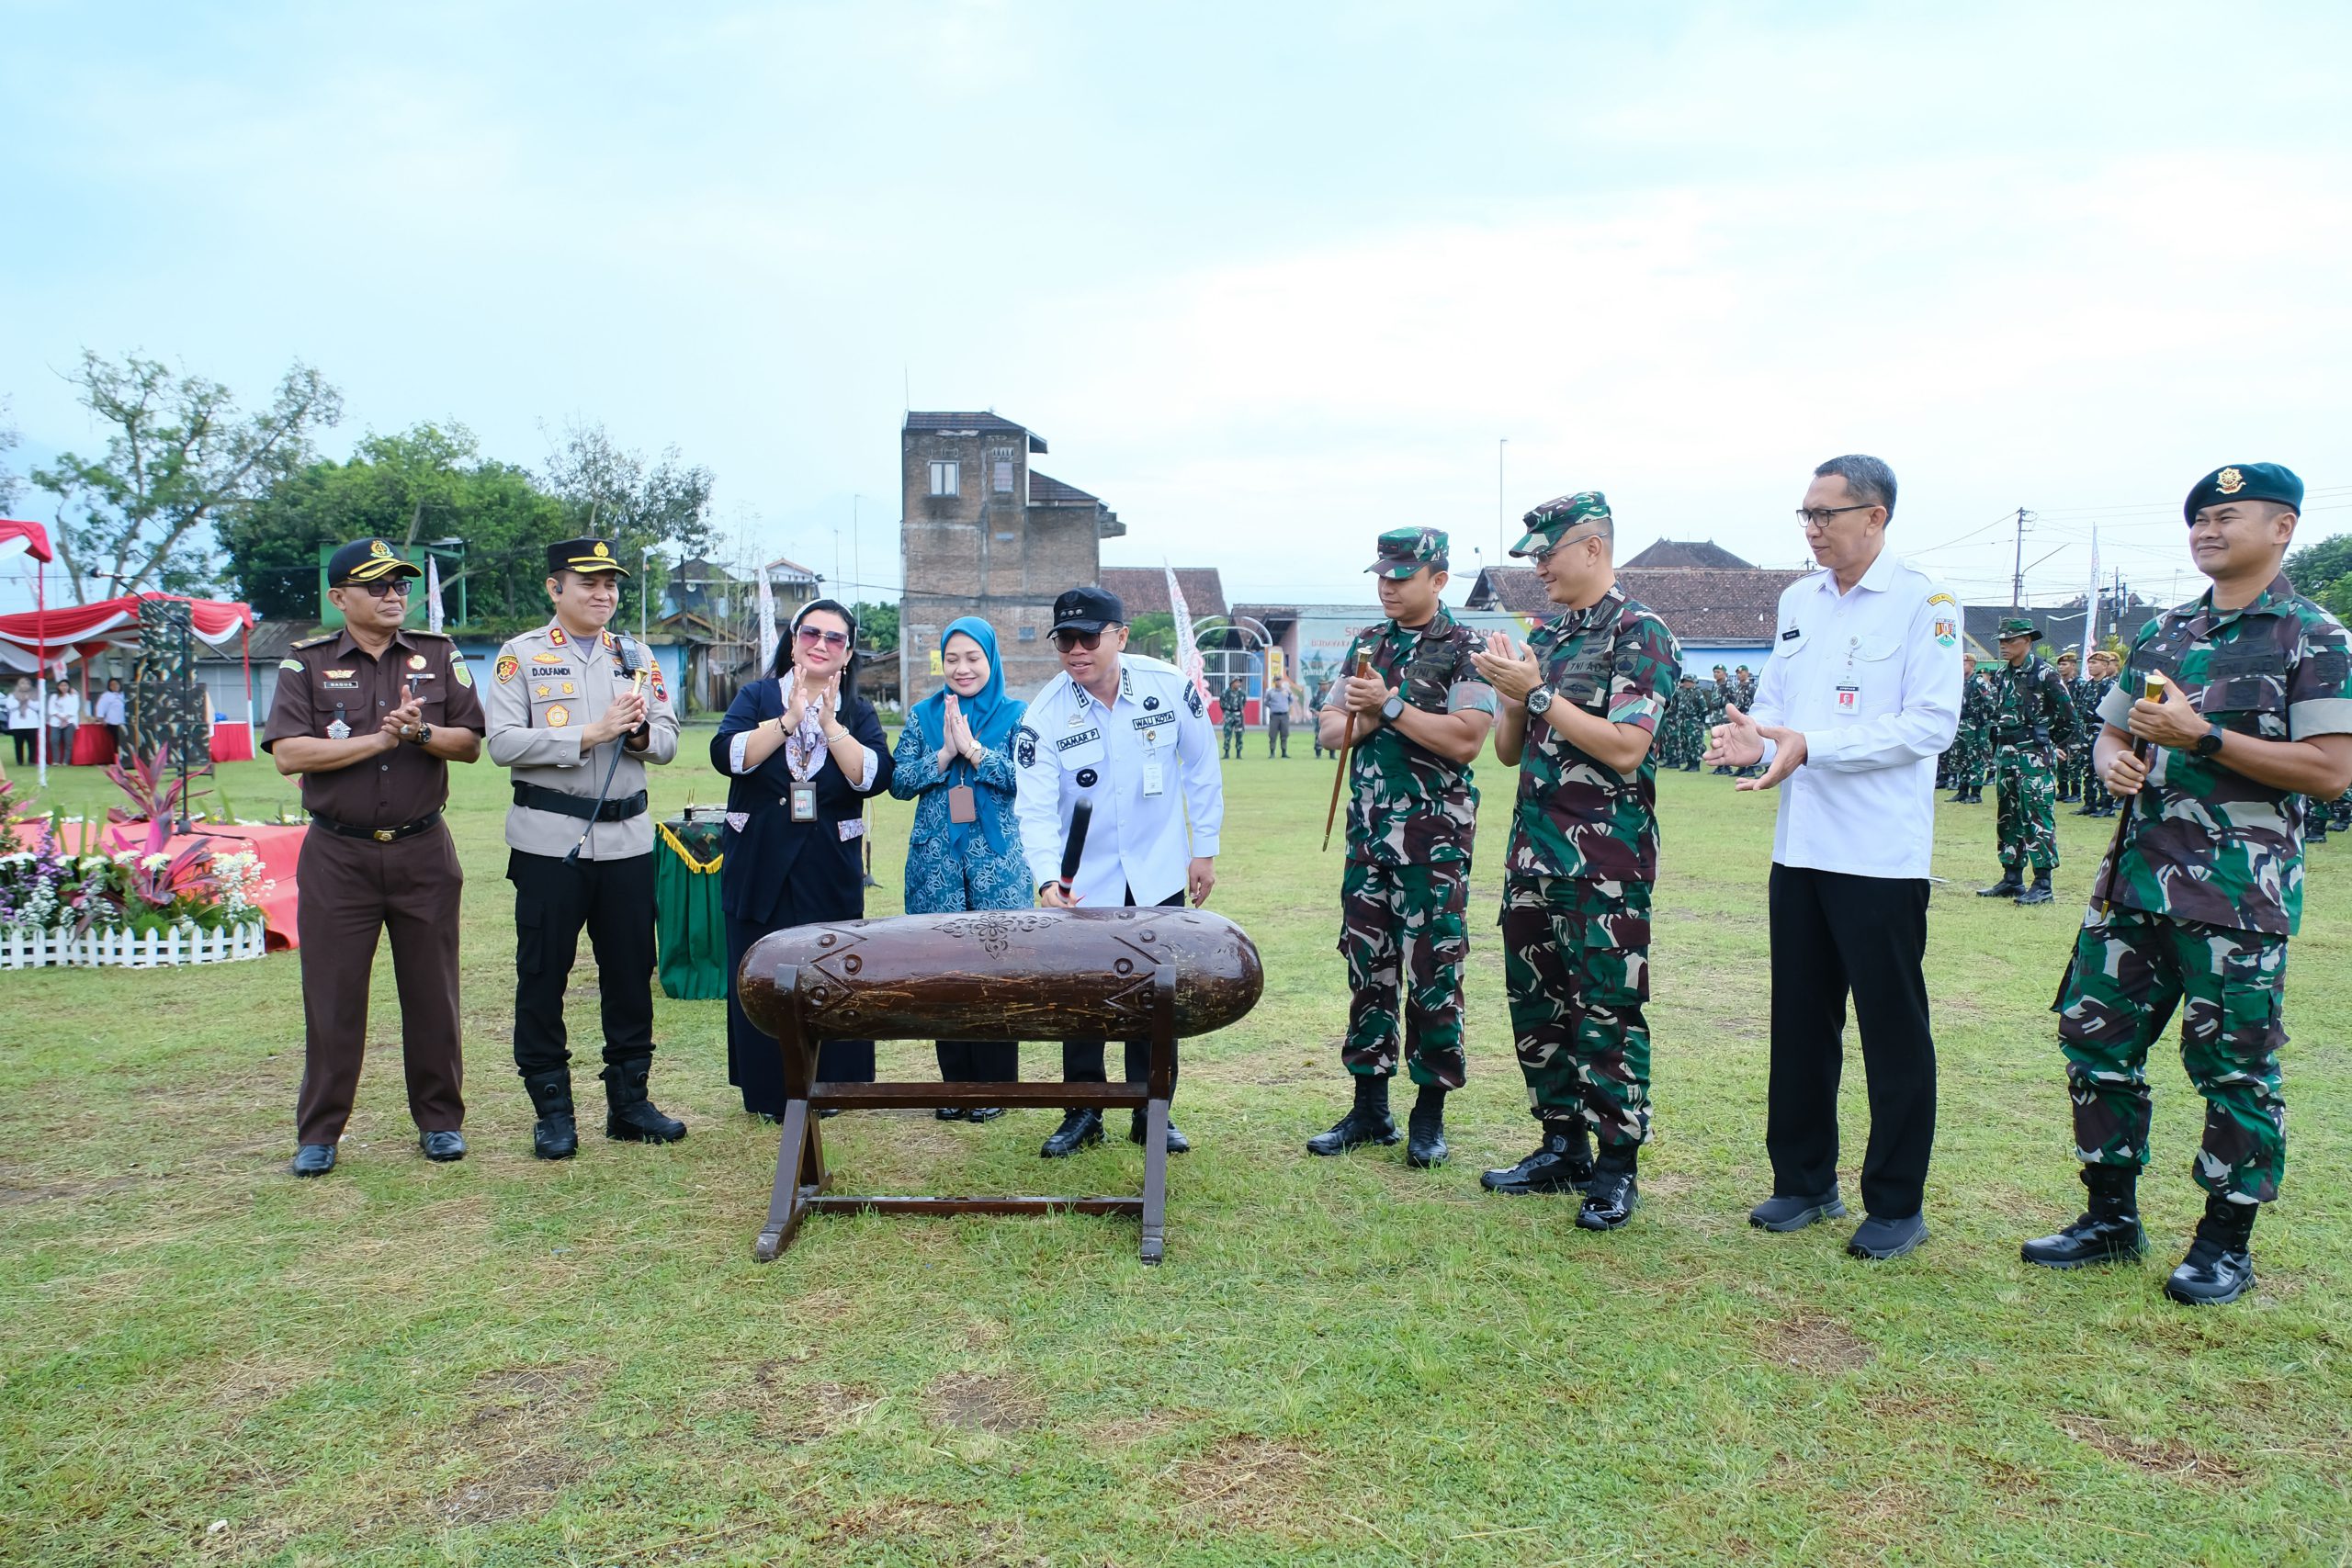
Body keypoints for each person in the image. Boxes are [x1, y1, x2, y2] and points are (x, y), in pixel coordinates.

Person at [2024, 464, 2352, 1306]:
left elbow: (2328, 772)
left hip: (2235, 901)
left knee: (2234, 1070)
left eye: (2226, 516)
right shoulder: (2166, 631)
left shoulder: (2313, 636)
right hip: (2134, 884)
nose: (2206, 530)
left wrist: (2204, 738)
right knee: (2095, 1046)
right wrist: (2117, 760)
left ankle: (2223, 1242)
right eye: (2199, 518)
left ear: (2282, 527)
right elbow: (2107, 732)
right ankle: (2108, 1217)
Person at [1705, 455, 1962, 1259]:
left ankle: (1894, 1202)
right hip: (1802, 845)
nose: (1812, 529)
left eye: (1826, 514)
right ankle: (1805, 1179)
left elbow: (1930, 725)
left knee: (1892, 1029)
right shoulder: (1797, 600)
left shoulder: (1927, 602)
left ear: (1875, 516)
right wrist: (1755, 735)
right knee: (1801, 1020)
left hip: (1879, 853)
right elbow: (1778, 701)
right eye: (1805, 515)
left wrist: (1814, 745)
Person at [1470, 491, 1679, 1230]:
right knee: (1538, 1003)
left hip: (1605, 867)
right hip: (1532, 854)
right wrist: (1514, 696)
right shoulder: (1548, 637)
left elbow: (1627, 746)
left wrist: (1540, 692)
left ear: (1593, 547)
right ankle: (1562, 1144)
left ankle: (1617, 1167)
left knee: (1608, 1010)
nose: (1537, 567)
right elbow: (1505, 752)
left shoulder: (1640, 633)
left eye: (1547, 552)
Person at [264, 537, 486, 1176]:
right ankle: (320, 1132)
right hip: (339, 854)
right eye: (377, 586)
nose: (394, 596)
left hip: (423, 849)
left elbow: (469, 743)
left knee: (433, 993)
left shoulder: (437, 656)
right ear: (339, 599)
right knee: (332, 997)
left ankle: (441, 1121)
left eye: (401, 585)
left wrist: (416, 733)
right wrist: (376, 740)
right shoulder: (303, 665)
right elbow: (289, 753)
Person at [484, 538, 684, 1160]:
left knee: (630, 974)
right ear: (555, 589)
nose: (603, 594)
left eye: (611, 584)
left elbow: (670, 739)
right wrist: (589, 733)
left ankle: (629, 1103)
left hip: (626, 841)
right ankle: (553, 1110)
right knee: (543, 974)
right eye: (588, 582)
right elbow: (502, 742)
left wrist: (641, 733)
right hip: (550, 845)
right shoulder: (521, 656)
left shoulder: (637, 654)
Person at [1306, 528, 1495, 1168]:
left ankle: (1428, 1113)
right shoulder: (1367, 644)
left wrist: (1389, 707)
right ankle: (1370, 1107)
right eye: (1382, 574)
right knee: (1368, 970)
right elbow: (1331, 729)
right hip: (1367, 841)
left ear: (1439, 579)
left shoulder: (1466, 646)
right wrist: (1360, 716)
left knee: (1434, 975)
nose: (1388, 584)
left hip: (1433, 844)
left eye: (1402, 575)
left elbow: (1468, 738)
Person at [1013, 584, 1223, 1157]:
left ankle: (1152, 1110)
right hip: (1084, 880)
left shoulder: (1168, 688)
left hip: (1157, 870)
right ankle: (1082, 1111)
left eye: (1088, 637)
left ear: (1120, 636)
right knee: (1081, 996)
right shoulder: (1044, 715)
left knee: (1157, 993)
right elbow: (1032, 809)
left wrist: (1203, 849)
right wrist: (1044, 878)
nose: (1076, 651)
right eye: (1064, 641)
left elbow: (1202, 767)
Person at [712, 600, 895, 1119]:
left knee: (833, 968)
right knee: (763, 971)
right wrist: (791, 718)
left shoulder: (857, 710)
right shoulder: (757, 695)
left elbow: (873, 776)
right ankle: (770, 1092)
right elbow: (729, 756)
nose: (820, 644)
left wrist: (832, 724)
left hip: (828, 861)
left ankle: (834, 1085)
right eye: (810, 633)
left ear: (848, 652)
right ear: (793, 641)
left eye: (834, 639)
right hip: (760, 857)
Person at [890, 616, 1028, 1119]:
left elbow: (1027, 779)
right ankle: (955, 1088)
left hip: (998, 863)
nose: (963, 668)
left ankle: (995, 1090)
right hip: (936, 865)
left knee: (995, 968)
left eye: (973, 658)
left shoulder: (1017, 715)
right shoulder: (922, 715)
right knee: (943, 973)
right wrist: (945, 754)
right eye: (952, 659)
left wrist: (974, 750)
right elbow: (899, 782)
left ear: (991, 660)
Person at [1976, 617, 2083, 906]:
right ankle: (2012, 877)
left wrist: (2047, 743)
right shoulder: (2001, 675)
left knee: (2037, 816)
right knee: (2008, 815)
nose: (2003, 645)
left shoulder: (2045, 673)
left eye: (2010, 640)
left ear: (2027, 641)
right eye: (2001, 641)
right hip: (2007, 754)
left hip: (2034, 757)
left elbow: (2069, 718)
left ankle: (2043, 883)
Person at [2072, 649, 2118, 817]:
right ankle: (2089, 803)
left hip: (2103, 733)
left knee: (2103, 769)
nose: (2091, 666)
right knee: (2087, 769)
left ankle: (2107, 806)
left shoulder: (2111, 686)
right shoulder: (2087, 686)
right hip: (2086, 733)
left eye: (2095, 663)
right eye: (2090, 663)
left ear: (2105, 665)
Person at [2052, 651, 2084, 803]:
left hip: (2075, 728)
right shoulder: (2058, 683)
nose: (2060, 667)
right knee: (2061, 759)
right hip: (2061, 726)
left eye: (2064, 664)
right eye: (2059, 664)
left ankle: (2076, 792)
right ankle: (2063, 789)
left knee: (2074, 760)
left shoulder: (2079, 683)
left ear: (2073, 665)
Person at [5, 676, 35, 766]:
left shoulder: (34, 694)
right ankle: (19, 761)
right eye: (22, 683)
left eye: (27, 683)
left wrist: (28, 701)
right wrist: (20, 701)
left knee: (32, 744)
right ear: (18, 685)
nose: (25, 685)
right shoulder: (12, 695)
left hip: (32, 723)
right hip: (17, 724)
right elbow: (9, 707)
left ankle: (31, 761)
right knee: (18, 744)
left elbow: (38, 707)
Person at [48, 679, 79, 763]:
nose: (64, 687)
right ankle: (55, 761)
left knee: (68, 742)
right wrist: (61, 718)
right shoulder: (54, 696)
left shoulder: (73, 697)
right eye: (62, 685)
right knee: (54, 740)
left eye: (66, 685)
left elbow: (74, 709)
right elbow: (51, 710)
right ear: (58, 687)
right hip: (56, 721)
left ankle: (66, 761)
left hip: (69, 721)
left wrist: (66, 719)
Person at [1264, 678, 1295, 758]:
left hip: (1284, 715)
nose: (1278, 682)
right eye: (1277, 680)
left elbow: (1291, 700)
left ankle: (1284, 752)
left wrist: (1285, 707)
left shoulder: (1287, 691)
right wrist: (1273, 707)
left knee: (1284, 734)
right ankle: (1272, 752)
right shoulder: (1270, 692)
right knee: (1272, 735)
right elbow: (1266, 702)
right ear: (1274, 682)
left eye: (1280, 680)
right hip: (1275, 716)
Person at [94, 676, 126, 748]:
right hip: (112, 723)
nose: (115, 686)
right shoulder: (106, 696)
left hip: (124, 722)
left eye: (116, 684)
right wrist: (102, 720)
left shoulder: (123, 694)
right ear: (109, 687)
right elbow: (100, 707)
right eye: (112, 685)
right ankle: (117, 757)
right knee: (117, 741)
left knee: (125, 741)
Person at [1219, 675, 1248, 760]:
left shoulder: (1242, 693)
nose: (1238, 684)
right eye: (1236, 682)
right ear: (1232, 683)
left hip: (1238, 715)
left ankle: (1239, 753)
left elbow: (1244, 703)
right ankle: (1226, 752)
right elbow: (1221, 703)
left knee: (1239, 734)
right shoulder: (1225, 692)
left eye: (1239, 682)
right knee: (1227, 733)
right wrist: (1226, 713)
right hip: (1229, 715)